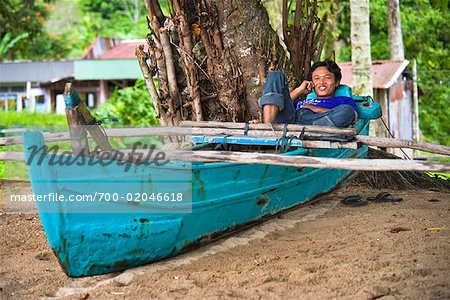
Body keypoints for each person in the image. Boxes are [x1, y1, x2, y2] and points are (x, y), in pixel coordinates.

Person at [252, 59, 358, 127]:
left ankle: (314, 129)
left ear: (336, 82)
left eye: (327, 78)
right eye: (317, 78)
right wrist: (299, 90)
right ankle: (267, 127)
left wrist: (314, 109)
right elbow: (283, 101)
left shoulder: (343, 100)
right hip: (290, 121)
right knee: (275, 75)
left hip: (315, 122)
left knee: (347, 111)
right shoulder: (302, 101)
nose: (321, 82)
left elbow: (351, 117)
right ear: (312, 82)